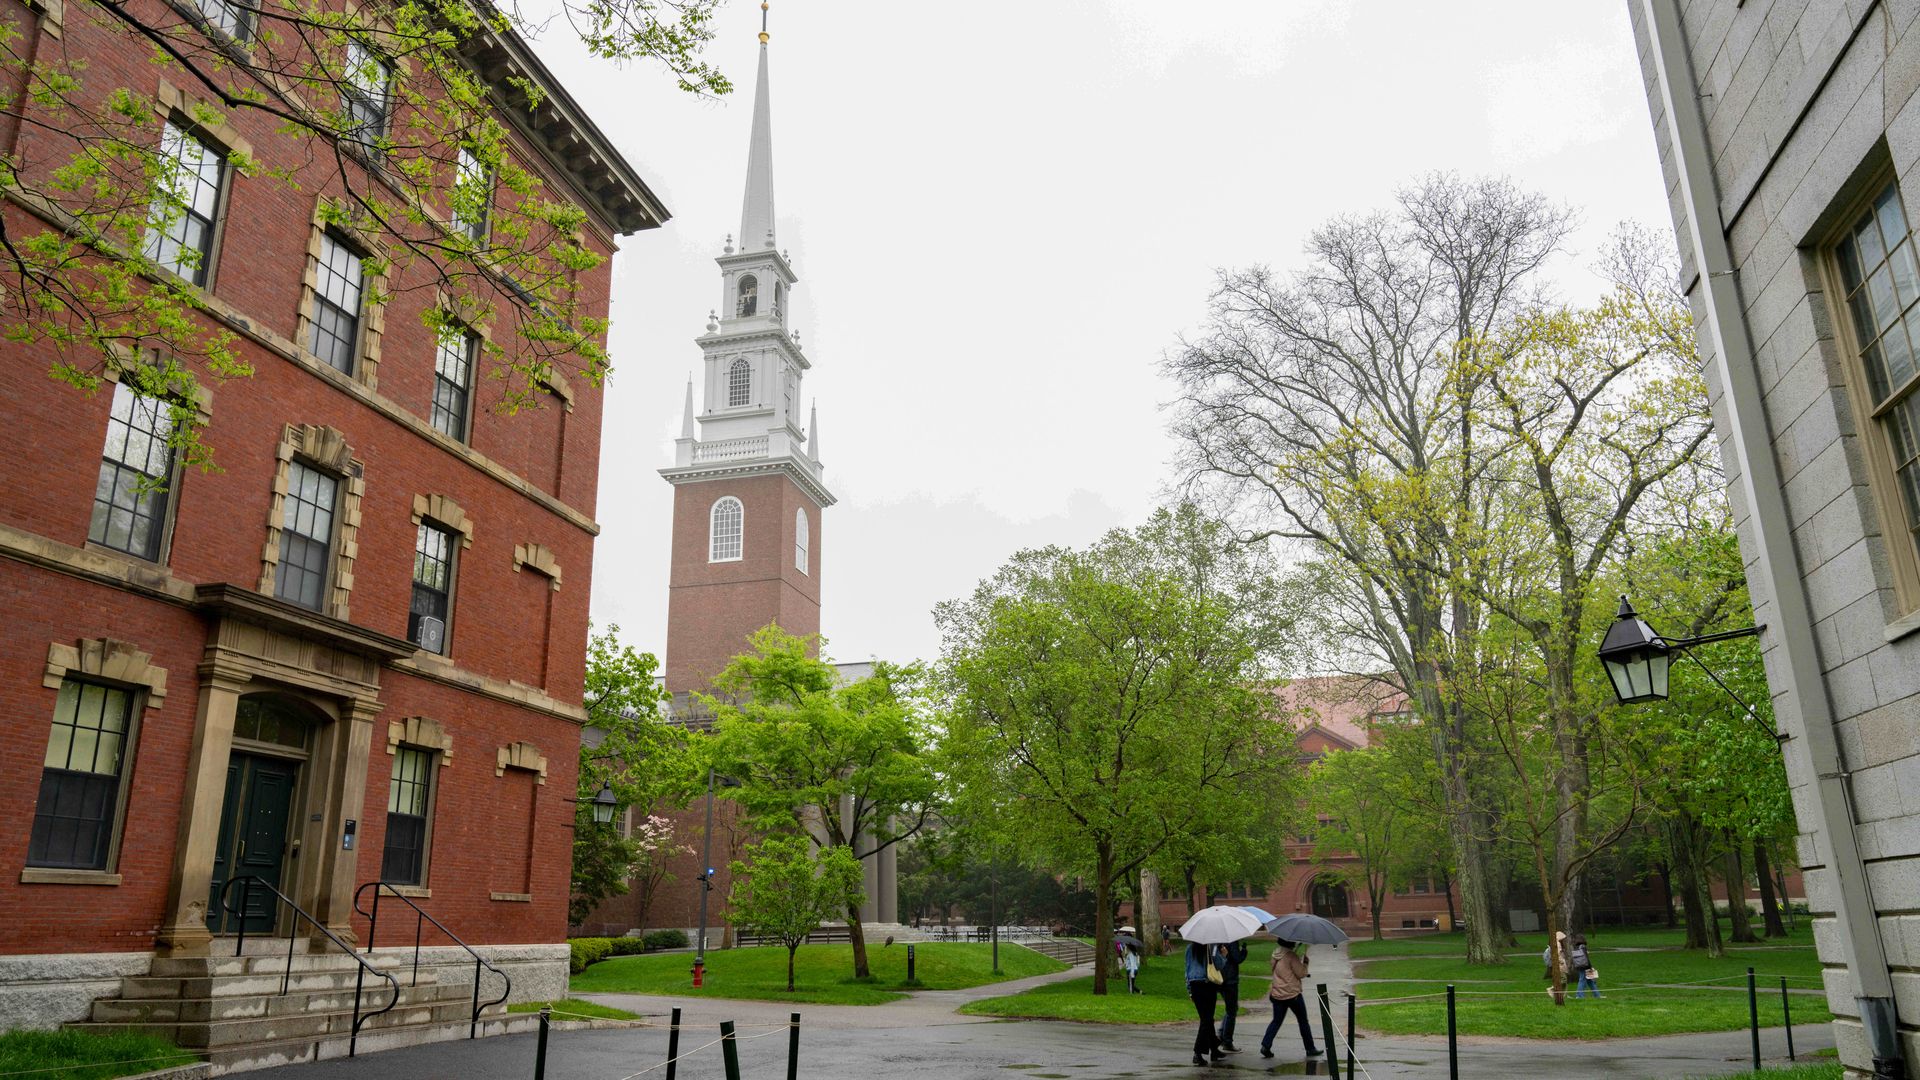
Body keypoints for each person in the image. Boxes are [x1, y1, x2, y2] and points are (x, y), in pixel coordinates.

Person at [1260, 939, 1322, 1060]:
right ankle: (1310, 1048)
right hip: (1292, 994)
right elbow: (1301, 973)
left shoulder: (1275, 954)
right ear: (1290, 943)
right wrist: (1305, 963)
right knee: (1303, 1021)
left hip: (1277, 993)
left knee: (1276, 1021)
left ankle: (1265, 1045)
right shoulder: (1291, 956)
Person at [1184, 941, 1225, 1065]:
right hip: (1207, 985)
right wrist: (1224, 955)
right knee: (1206, 1020)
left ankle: (1214, 1049)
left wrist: (1190, 990)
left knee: (1207, 1019)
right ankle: (1198, 1052)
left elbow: (1187, 969)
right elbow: (1219, 965)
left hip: (1195, 985)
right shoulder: (1211, 947)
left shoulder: (1189, 948)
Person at [1215, 938, 1249, 1052]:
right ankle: (1227, 1041)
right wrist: (1244, 951)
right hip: (1230, 979)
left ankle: (1221, 1034)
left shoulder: (1217, 939)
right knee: (1232, 1010)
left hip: (1220, 977)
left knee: (1232, 1008)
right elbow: (1236, 958)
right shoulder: (1232, 940)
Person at [1568, 934, 1600, 999]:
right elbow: (1586, 958)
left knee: (1590, 981)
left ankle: (1597, 995)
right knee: (1582, 980)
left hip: (1579, 966)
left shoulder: (1576, 947)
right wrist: (1590, 967)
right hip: (1585, 966)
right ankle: (1579, 996)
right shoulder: (1583, 947)